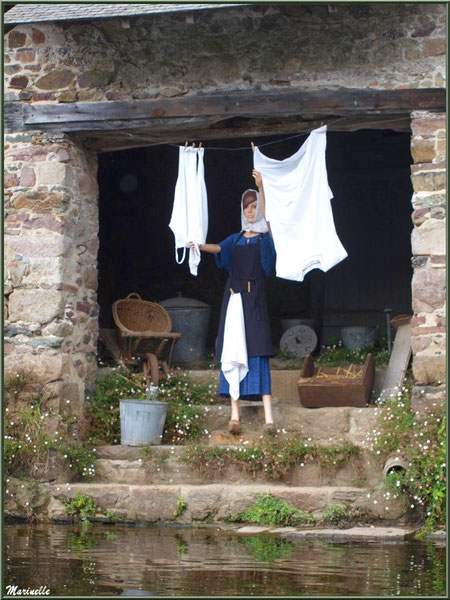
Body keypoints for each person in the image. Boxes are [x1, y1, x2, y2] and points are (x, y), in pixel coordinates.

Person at [190, 170, 277, 436]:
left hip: (256, 300)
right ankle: (235, 416)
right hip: (235, 299)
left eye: (254, 206)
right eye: (247, 207)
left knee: (258, 350)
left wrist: (261, 188)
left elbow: (270, 221)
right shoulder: (236, 238)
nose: (251, 211)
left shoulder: (265, 237)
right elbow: (217, 248)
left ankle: (269, 419)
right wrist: (197, 245)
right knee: (233, 349)